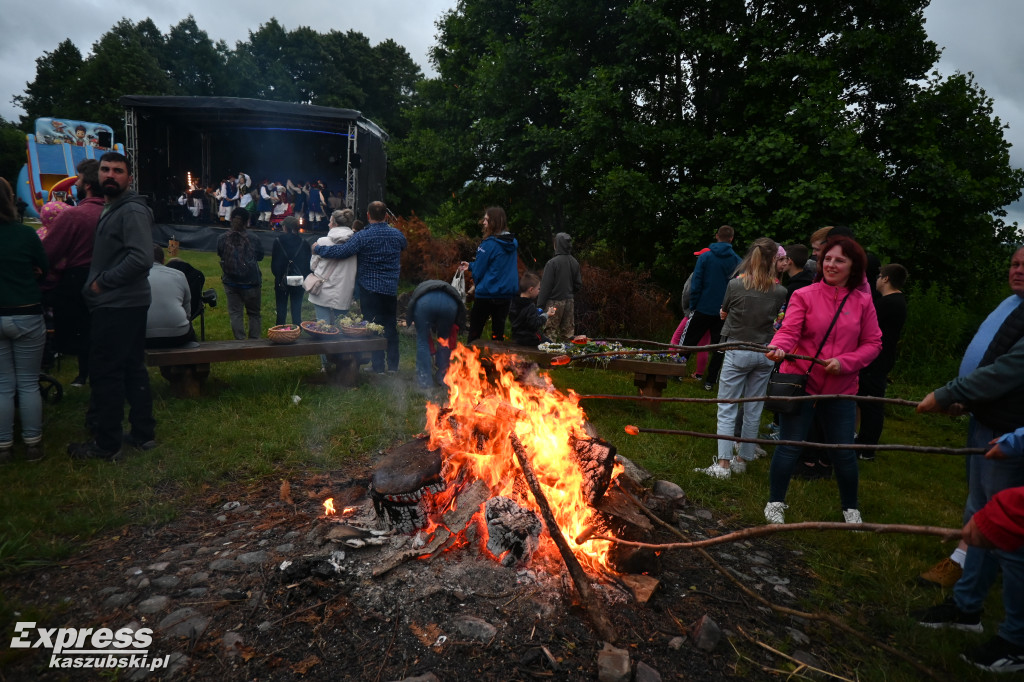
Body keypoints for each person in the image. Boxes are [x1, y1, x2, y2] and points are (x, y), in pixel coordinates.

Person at [914, 245, 1024, 672]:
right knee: (979, 519)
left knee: (1008, 534)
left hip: (1012, 435)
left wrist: (949, 393)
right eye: (1015, 263)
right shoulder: (1010, 304)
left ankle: (1015, 640)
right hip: (986, 422)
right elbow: (989, 357)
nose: (1018, 271)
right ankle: (966, 609)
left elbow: (1011, 368)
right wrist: (965, 400)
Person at [763, 235, 882, 524]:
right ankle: (775, 502)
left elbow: (873, 343)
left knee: (842, 451)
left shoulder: (863, 301)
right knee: (790, 444)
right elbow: (790, 330)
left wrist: (845, 363)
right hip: (801, 383)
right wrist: (778, 346)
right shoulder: (804, 295)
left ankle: (850, 508)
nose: (831, 264)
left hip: (840, 388)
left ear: (854, 266)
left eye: (839, 259)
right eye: (827, 258)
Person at [68, 151, 156, 461]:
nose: (110, 175)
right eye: (105, 169)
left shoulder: (130, 210)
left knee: (106, 372)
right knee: (133, 367)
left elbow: (141, 258)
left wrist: (102, 282)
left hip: (118, 303)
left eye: (117, 171)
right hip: (125, 303)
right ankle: (144, 434)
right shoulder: (114, 207)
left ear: (129, 178)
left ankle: (106, 443)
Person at [696, 238, 787, 478]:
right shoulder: (780, 290)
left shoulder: (736, 285)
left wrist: (727, 315)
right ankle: (741, 459)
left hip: (738, 349)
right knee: (754, 407)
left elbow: (724, 312)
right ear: (773, 261)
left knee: (727, 406)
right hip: (764, 352)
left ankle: (724, 464)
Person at [313, 201, 406, 373]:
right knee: (391, 327)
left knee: (372, 327)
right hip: (390, 288)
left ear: (368, 216)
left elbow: (341, 252)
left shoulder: (363, 236)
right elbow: (404, 245)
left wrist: (319, 249)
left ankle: (377, 366)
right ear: (386, 216)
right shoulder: (397, 235)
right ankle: (393, 366)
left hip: (369, 289)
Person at [42, 158, 104, 387]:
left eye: (78, 179)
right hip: (111, 281)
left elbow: (48, 253)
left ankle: (70, 368)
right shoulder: (113, 214)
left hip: (78, 279)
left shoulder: (72, 216)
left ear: (86, 185)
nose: (75, 183)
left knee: (80, 332)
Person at [0, 177, 48, 462]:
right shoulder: (24, 235)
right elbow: (45, 265)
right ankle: (33, 443)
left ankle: (4, 446)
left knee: (3, 384)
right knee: (28, 382)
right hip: (26, 312)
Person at [679, 225, 742, 390]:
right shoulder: (737, 261)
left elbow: (696, 282)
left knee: (688, 341)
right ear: (731, 239)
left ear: (716, 236)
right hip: (723, 311)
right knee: (719, 347)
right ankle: (710, 381)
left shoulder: (705, 257)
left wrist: (693, 305)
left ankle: (677, 371)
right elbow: (738, 287)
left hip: (703, 307)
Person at [855, 264, 908, 460]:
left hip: (876, 359)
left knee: (872, 404)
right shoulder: (895, 301)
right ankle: (862, 442)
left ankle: (867, 449)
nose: (876, 279)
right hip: (880, 358)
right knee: (866, 402)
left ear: (886, 279)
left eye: (879, 276)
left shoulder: (889, 303)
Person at [463, 207, 518, 343]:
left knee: (475, 333)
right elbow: (496, 266)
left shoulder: (488, 244)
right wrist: (470, 265)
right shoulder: (512, 243)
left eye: (486, 220)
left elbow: (479, 271)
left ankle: (471, 362)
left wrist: (475, 277)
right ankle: (495, 363)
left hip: (486, 295)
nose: (484, 223)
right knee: (498, 336)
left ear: (494, 222)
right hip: (505, 295)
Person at [406, 279, 468, 390]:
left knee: (423, 341)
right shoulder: (446, 288)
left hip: (424, 304)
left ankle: (424, 380)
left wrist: (409, 320)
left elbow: (412, 305)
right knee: (444, 340)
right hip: (449, 305)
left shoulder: (421, 288)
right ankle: (442, 377)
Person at [217, 208, 264, 340]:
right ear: (246, 221)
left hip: (230, 282)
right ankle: (254, 340)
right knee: (254, 313)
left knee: (235, 313)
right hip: (251, 283)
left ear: (231, 219)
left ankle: (240, 341)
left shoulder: (222, 238)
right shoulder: (253, 238)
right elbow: (260, 257)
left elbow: (221, 254)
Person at [145, 245, 197, 349]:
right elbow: (187, 311)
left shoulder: (135, 276)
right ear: (164, 260)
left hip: (144, 336)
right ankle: (190, 364)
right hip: (179, 335)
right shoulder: (179, 275)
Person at [537, 233, 582, 342]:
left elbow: (545, 287)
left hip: (554, 304)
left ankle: (548, 358)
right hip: (569, 302)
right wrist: (569, 293)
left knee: (550, 333)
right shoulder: (574, 262)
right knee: (568, 334)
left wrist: (540, 306)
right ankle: (569, 357)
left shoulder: (552, 263)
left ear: (557, 245)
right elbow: (578, 284)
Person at [271, 216, 312, 326]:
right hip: (298, 280)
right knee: (296, 310)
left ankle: (280, 333)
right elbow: (307, 265)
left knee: (281, 310)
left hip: (281, 280)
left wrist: (279, 276)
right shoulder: (304, 243)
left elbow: (274, 264)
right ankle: (297, 332)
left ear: (286, 227)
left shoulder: (278, 241)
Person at [509, 271, 556, 347]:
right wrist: (546, 315)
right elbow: (535, 324)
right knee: (552, 345)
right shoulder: (530, 306)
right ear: (531, 290)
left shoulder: (513, 303)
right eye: (538, 289)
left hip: (516, 337)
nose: (539, 291)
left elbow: (522, 319)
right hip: (530, 339)